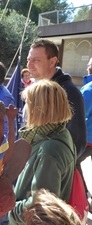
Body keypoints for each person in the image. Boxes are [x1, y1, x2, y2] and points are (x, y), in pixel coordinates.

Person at [8, 80, 75, 225]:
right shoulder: (57, 133)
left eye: (27, 103)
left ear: (40, 108)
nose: (24, 108)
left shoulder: (50, 149)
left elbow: (40, 205)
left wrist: (9, 209)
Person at [26, 39, 86, 158]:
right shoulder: (36, 88)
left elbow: (77, 140)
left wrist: (55, 167)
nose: (29, 65)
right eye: (28, 59)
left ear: (52, 61)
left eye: (36, 60)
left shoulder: (68, 92)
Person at [79, 66, 92, 213]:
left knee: (74, 167)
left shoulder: (88, 89)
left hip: (88, 138)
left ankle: (81, 200)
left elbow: (80, 115)